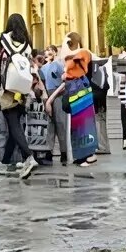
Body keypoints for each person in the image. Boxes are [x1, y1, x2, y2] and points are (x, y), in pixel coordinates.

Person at [0, 16, 35, 165]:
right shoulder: (27, 43)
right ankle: (6, 161)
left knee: (13, 124)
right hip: (22, 90)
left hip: (6, 89)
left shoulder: (2, 39)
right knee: (14, 124)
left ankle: (28, 156)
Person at [46, 32, 100, 166]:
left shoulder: (82, 53)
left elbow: (66, 57)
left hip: (80, 91)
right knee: (78, 125)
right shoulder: (77, 56)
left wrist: (65, 43)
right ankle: (82, 156)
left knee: (84, 125)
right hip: (76, 91)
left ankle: (89, 155)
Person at [39, 49, 70, 165]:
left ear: (55, 53)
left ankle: (64, 152)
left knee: (61, 123)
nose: (48, 55)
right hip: (47, 95)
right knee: (49, 125)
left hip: (58, 96)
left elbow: (64, 82)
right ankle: (49, 152)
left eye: (50, 52)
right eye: (46, 53)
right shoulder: (43, 68)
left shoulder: (58, 65)